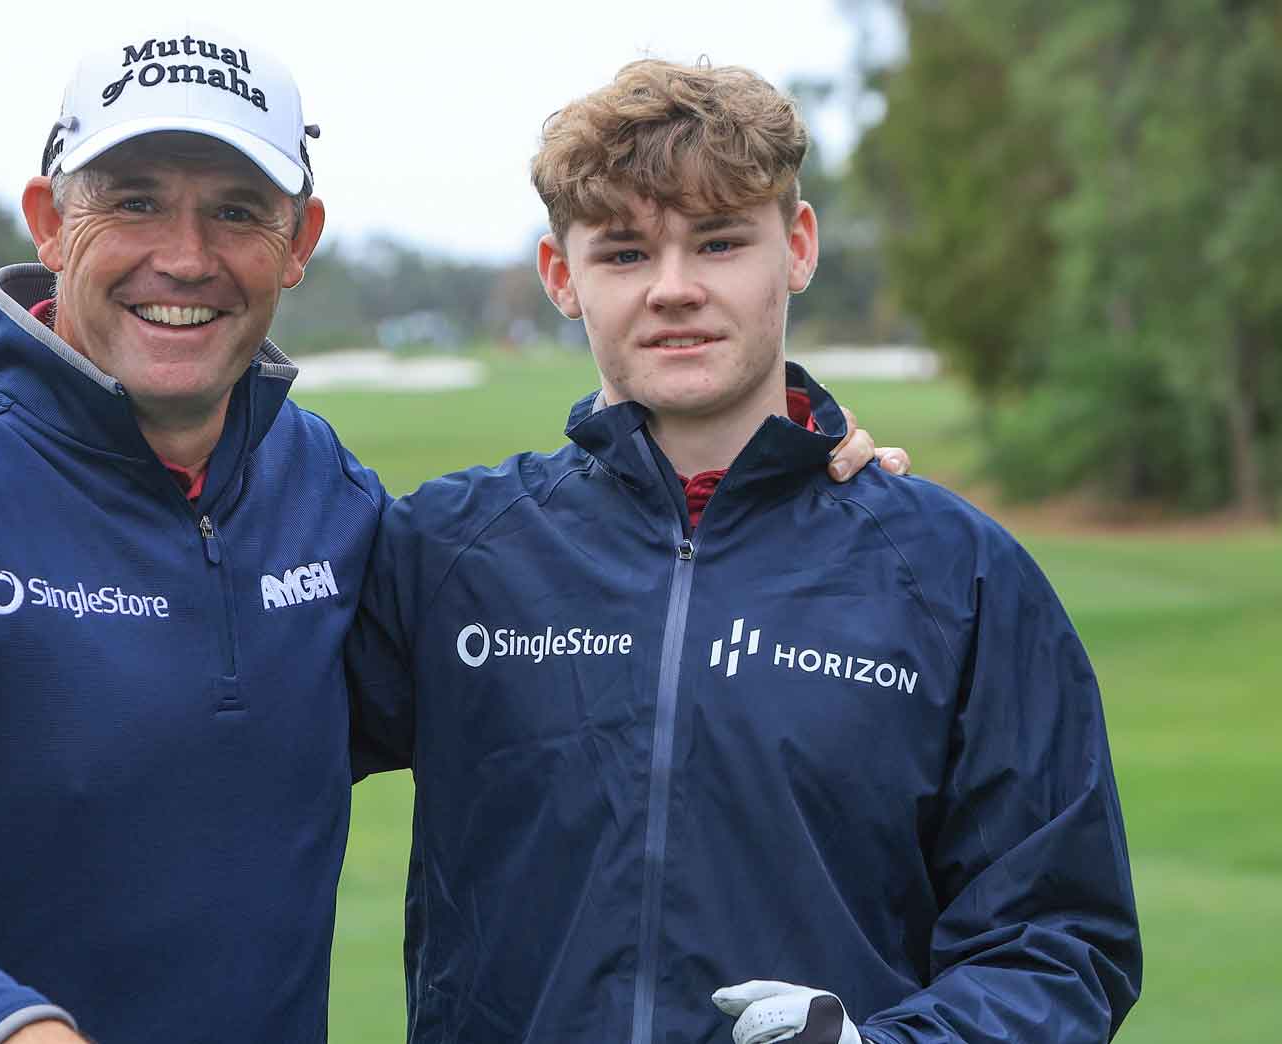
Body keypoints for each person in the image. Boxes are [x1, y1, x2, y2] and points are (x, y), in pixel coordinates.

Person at [0, 25, 898, 1044]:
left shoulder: (325, 492)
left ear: (298, 245)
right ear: (50, 220)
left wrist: (787, 496)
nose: (185, 255)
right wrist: (4, 1031)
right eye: (134, 201)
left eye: (236, 210)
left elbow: (571, 640)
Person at [345, 59, 1141, 1044]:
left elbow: (1058, 941)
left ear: (795, 247)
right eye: (625, 253)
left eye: (718, 242)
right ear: (561, 276)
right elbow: (196, 746)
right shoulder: (447, 555)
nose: (675, 289)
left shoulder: (954, 577)